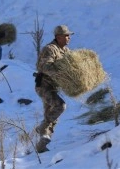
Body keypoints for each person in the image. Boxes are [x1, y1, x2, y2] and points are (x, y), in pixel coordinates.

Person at [34, 25, 74, 153]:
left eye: (69, 35)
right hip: (44, 85)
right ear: (58, 37)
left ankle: (42, 145)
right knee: (59, 106)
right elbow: (45, 67)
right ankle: (42, 127)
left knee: (52, 115)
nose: (69, 38)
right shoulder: (50, 49)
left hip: (53, 86)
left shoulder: (66, 51)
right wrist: (60, 74)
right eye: (66, 35)